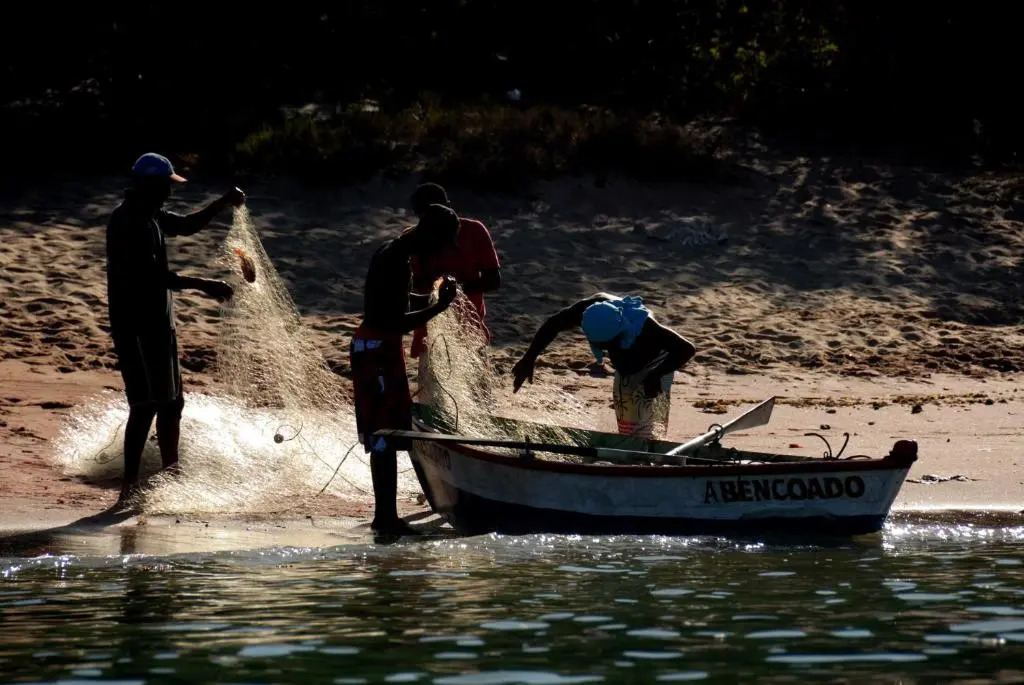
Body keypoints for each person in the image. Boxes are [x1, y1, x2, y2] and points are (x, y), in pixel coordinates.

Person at [106, 152, 244, 505]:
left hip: (159, 323)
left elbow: (184, 226)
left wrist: (222, 203)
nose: (170, 193)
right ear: (149, 186)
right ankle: (129, 486)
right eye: (165, 186)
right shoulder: (131, 222)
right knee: (145, 405)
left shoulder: (149, 212)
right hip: (137, 326)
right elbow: (153, 277)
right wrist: (204, 284)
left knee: (172, 403)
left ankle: (171, 476)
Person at [350, 203, 461, 536]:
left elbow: (393, 304)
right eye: (441, 244)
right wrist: (439, 308)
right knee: (384, 437)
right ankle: (385, 518)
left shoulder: (393, 252)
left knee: (388, 435)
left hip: (377, 347)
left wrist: (430, 300)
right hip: (377, 351)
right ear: (430, 235)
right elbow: (393, 320)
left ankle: (386, 516)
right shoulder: (396, 261)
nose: (440, 253)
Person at [511, 293, 696, 439]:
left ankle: (651, 459)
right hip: (627, 368)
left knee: (648, 429)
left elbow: (686, 349)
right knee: (630, 429)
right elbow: (553, 324)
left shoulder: (647, 327)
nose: (610, 350)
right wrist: (529, 358)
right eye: (605, 347)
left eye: (613, 344)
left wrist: (657, 374)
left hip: (657, 362)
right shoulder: (587, 311)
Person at [407, 183, 500, 361]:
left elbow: (494, 279)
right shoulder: (411, 240)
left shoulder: (474, 231)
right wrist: (438, 298)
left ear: (448, 207)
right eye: (425, 215)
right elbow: (410, 293)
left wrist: (455, 289)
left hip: (469, 330)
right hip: (428, 334)